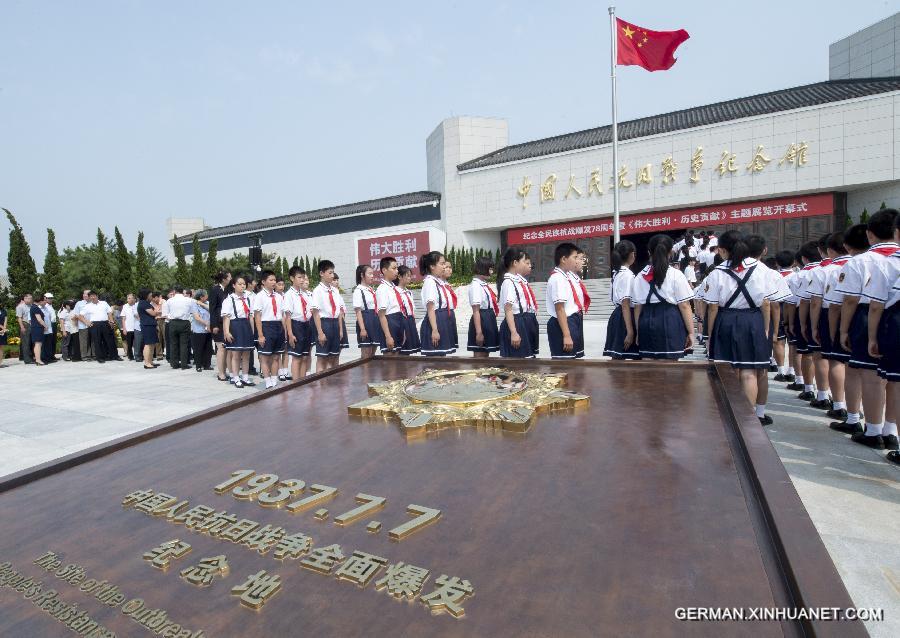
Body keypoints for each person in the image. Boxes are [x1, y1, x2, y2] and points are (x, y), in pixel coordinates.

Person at [837, 208, 899, 449]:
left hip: (867, 317)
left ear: (870, 234)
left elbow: (851, 300)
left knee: (870, 375)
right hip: (894, 317)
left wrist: (843, 330)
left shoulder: (859, 261)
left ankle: (873, 431)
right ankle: (890, 429)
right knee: (894, 379)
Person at [705, 231, 775, 425]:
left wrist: (710, 334)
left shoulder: (718, 272)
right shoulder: (761, 269)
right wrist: (766, 328)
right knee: (750, 371)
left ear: (722, 250)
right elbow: (767, 303)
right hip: (753, 319)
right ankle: (749, 418)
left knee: (726, 370)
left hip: (726, 319)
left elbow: (712, 307)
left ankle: (730, 413)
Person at [826, 225, 870, 434]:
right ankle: (885, 428)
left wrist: (839, 331)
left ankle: (851, 416)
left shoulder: (853, 264)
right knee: (885, 376)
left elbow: (841, 303)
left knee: (851, 368)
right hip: (887, 318)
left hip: (858, 318)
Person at [631, 234, 695, 360]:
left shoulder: (639, 276)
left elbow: (638, 307)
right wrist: (691, 332)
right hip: (670, 319)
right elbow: (684, 305)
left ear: (649, 252)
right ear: (671, 252)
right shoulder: (676, 274)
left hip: (646, 320)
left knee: (647, 367)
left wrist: (638, 331)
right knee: (670, 370)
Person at [869, 214, 900, 463]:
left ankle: (886, 431)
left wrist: (872, 336)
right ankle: (890, 429)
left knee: (896, 381)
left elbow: (877, 305)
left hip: (895, 322)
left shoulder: (888, 264)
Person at [809, 233, 850, 414]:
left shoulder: (824, 270)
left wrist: (812, 325)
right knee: (859, 367)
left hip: (831, 314)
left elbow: (816, 302)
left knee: (834, 360)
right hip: (863, 314)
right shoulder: (867, 263)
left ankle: (838, 404)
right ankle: (854, 409)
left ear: (828, 251)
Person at [497, 248, 539, 359]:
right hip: (516, 322)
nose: (527, 265)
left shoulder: (517, 280)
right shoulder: (508, 282)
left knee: (528, 359)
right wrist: (514, 333)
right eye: (524, 261)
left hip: (524, 321)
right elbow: (508, 309)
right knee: (519, 363)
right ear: (515, 263)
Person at [546, 243, 585, 360]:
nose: (576, 261)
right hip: (563, 324)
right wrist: (567, 335)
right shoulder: (557, 278)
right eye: (574, 257)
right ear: (563, 259)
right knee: (565, 365)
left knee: (573, 362)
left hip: (571, 321)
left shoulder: (566, 276)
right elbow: (559, 308)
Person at [603, 240, 639, 360]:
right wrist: (630, 331)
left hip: (618, 316)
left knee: (618, 358)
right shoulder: (627, 275)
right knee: (627, 359)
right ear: (632, 254)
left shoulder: (617, 273)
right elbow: (625, 304)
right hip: (626, 318)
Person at [311, 260, 348, 372]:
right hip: (324, 323)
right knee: (322, 357)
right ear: (322, 273)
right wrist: (320, 332)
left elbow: (339, 313)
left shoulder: (335, 291)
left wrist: (341, 330)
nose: (332, 275)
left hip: (335, 324)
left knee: (335, 356)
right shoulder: (318, 291)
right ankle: (321, 385)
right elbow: (316, 313)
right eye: (330, 273)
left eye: (333, 273)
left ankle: (334, 383)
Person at [419, 251, 457, 356]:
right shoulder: (430, 282)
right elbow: (431, 308)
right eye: (442, 263)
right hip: (436, 321)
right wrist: (435, 330)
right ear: (432, 266)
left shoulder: (438, 282)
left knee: (442, 357)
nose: (444, 267)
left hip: (442, 320)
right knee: (435, 360)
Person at [253, 270, 287, 389]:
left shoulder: (279, 296)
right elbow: (257, 316)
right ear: (263, 282)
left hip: (278, 326)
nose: (274, 282)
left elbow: (282, 315)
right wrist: (260, 334)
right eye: (271, 280)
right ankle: (267, 380)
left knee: (276, 356)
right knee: (265, 356)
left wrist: (285, 330)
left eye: (274, 280)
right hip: (266, 326)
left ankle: (274, 379)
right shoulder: (259, 296)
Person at [222, 275, 256, 388]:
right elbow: (226, 317)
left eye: (244, 284)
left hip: (246, 325)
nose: (242, 286)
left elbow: (251, 316)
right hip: (235, 326)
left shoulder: (248, 298)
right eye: (240, 284)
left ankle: (245, 377)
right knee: (236, 354)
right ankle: (235, 377)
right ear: (233, 285)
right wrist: (226, 332)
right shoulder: (229, 299)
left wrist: (252, 331)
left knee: (246, 354)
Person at [284, 266, 314, 380]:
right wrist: (290, 334)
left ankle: (302, 382)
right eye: (299, 277)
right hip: (296, 325)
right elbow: (288, 316)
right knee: (296, 357)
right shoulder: (289, 295)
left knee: (304, 356)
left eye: (303, 277)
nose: (302, 280)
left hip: (307, 325)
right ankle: (295, 384)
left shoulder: (305, 294)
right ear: (292, 278)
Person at [467, 255, 499, 358]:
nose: (492, 272)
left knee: (486, 351)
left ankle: (485, 374)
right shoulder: (476, 286)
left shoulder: (483, 284)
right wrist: (479, 332)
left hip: (488, 317)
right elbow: (476, 311)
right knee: (480, 352)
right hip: (481, 318)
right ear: (482, 268)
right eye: (490, 269)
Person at [772, 250, 797, 382]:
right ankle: (791, 370)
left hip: (779, 308)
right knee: (793, 342)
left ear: (777, 263)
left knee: (778, 340)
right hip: (795, 308)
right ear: (794, 262)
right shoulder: (797, 276)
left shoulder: (774, 276)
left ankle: (780, 370)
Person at [375, 257, 404, 356]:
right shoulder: (382, 289)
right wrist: (388, 336)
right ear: (384, 270)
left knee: (398, 357)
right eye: (394, 268)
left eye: (397, 268)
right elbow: (382, 315)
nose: (397, 271)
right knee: (390, 360)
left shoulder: (393, 287)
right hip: (390, 323)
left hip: (398, 321)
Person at [353, 264, 382, 359]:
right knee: (366, 353)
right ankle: (365, 373)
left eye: (372, 274)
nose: (372, 276)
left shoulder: (371, 289)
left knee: (373, 352)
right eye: (369, 274)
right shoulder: (358, 290)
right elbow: (358, 311)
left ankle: (371, 373)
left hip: (374, 319)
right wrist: (362, 329)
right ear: (362, 275)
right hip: (366, 320)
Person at [209, 271, 232, 382]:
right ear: (224, 279)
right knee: (221, 348)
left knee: (226, 348)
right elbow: (212, 308)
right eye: (229, 277)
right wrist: (213, 325)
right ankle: (221, 373)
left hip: (227, 321)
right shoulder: (215, 290)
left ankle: (225, 371)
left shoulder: (228, 290)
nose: (231, 278)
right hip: (218, 322)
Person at [164, 286, 192, 370]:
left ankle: (174, 363)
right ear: (182, 291)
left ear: (174, 291)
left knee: (173, 344)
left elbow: (165, 314)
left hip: (173, 322)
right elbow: (191, 312)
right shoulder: (188, 300)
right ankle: (184, 364)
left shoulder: (169, 300)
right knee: (184, 344)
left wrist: (172, 318)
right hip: (184, 322)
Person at [395, 265, 420, 355]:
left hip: (410, 320)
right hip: (401, 321)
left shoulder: (408, 292)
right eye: (408, 275)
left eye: (410, 275)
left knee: (408, 349)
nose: (410, 278)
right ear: (400, 276)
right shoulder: (395, 292)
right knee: (402, 348)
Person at [136, 289, 161, 369]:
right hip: (147, 325)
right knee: (148, 344)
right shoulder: (143, 303)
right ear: (146, 295)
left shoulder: (146, 303)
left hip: (150, 325)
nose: (151, 297)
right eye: (150, 295)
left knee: (152, 344)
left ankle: (150, 361)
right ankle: (147, 363)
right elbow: (152, 313)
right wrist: (159, 311)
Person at [190, 289, 212, 372]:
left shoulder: (207, 303)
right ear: (201, 296)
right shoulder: (194, 304)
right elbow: (196, 317)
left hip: (208, 330)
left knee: (208, 348)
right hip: (199, 329)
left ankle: (207, 365)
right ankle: (198, 365)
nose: (207, 296)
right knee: (199, 348)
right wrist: (206, 323)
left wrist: (202, 304)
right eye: (206, 295)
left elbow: (211, 310)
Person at [72, 290, 93, 362]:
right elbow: (77, 315)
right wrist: (85, 322)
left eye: (86, 294)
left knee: (92, 341)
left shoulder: (93, 303)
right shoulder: (79, 303)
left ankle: (92, 355)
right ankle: (84, 356)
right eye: (84, 294)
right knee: (84, 342)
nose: (84, 295)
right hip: (83, 325)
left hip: (93, 325)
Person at [16, 293, 34, 364]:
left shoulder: (32, 306)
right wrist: (22, 327)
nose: (31, 300)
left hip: (32, 325)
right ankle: (27, 359)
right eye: (29, 298)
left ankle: (31, 356)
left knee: (31, 342)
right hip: (25, 324)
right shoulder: (20, 307)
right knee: (26, 342)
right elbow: (19, 318)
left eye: (31, 298)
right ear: (25, 298)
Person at [29, 294, 47, 366]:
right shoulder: (35, 308)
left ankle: (37, 359)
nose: (44, 302)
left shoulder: (33, 307)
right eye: (44, 300)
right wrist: (45, 326)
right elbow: (39, 319)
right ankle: (38, 360)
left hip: (36, 328)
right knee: (38, 344)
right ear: (40, 301)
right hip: (37, 328)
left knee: (37, 344)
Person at [119, 293, 138, 361]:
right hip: (128, 328)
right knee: (129, 344)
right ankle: (130, 356)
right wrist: (124, 328)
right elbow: (123, 319)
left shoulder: (137, 305)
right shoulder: (125, 306)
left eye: (131, 298)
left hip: (136, 328)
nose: (130, 300)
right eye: (128, 298)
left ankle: (138, 355)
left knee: (137, 343)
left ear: (134, 299)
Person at [41, 293, 57, 363]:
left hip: (53, 323)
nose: (50, 299)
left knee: (53, 340)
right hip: (49, 324)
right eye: (49, 298)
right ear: (45, 298)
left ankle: (52, 355)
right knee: (49, 341)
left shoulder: (50, 306)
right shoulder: (45, 306)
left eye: (51, 298)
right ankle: (48, 356)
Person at [0, 302, 7, 368]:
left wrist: (4, 329)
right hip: (1, 329)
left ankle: (0, 363)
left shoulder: (3, 310)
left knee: (1, 347)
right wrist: (3, 328)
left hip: (2, 331)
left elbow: (5, 319)